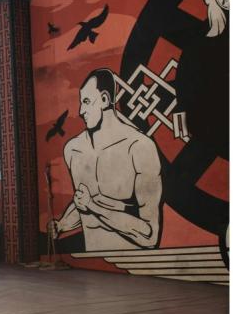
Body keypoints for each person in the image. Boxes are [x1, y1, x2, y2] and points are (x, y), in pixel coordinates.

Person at [49, 68, 163, 251]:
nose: (81, 111)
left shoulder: (139, 147)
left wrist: (92, 206)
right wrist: (61, 225)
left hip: (133, 261)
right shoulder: (74, 149)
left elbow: (149, 236)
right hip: (91, 260)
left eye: (86, 102)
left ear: (104, 99)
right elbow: (83, 204)